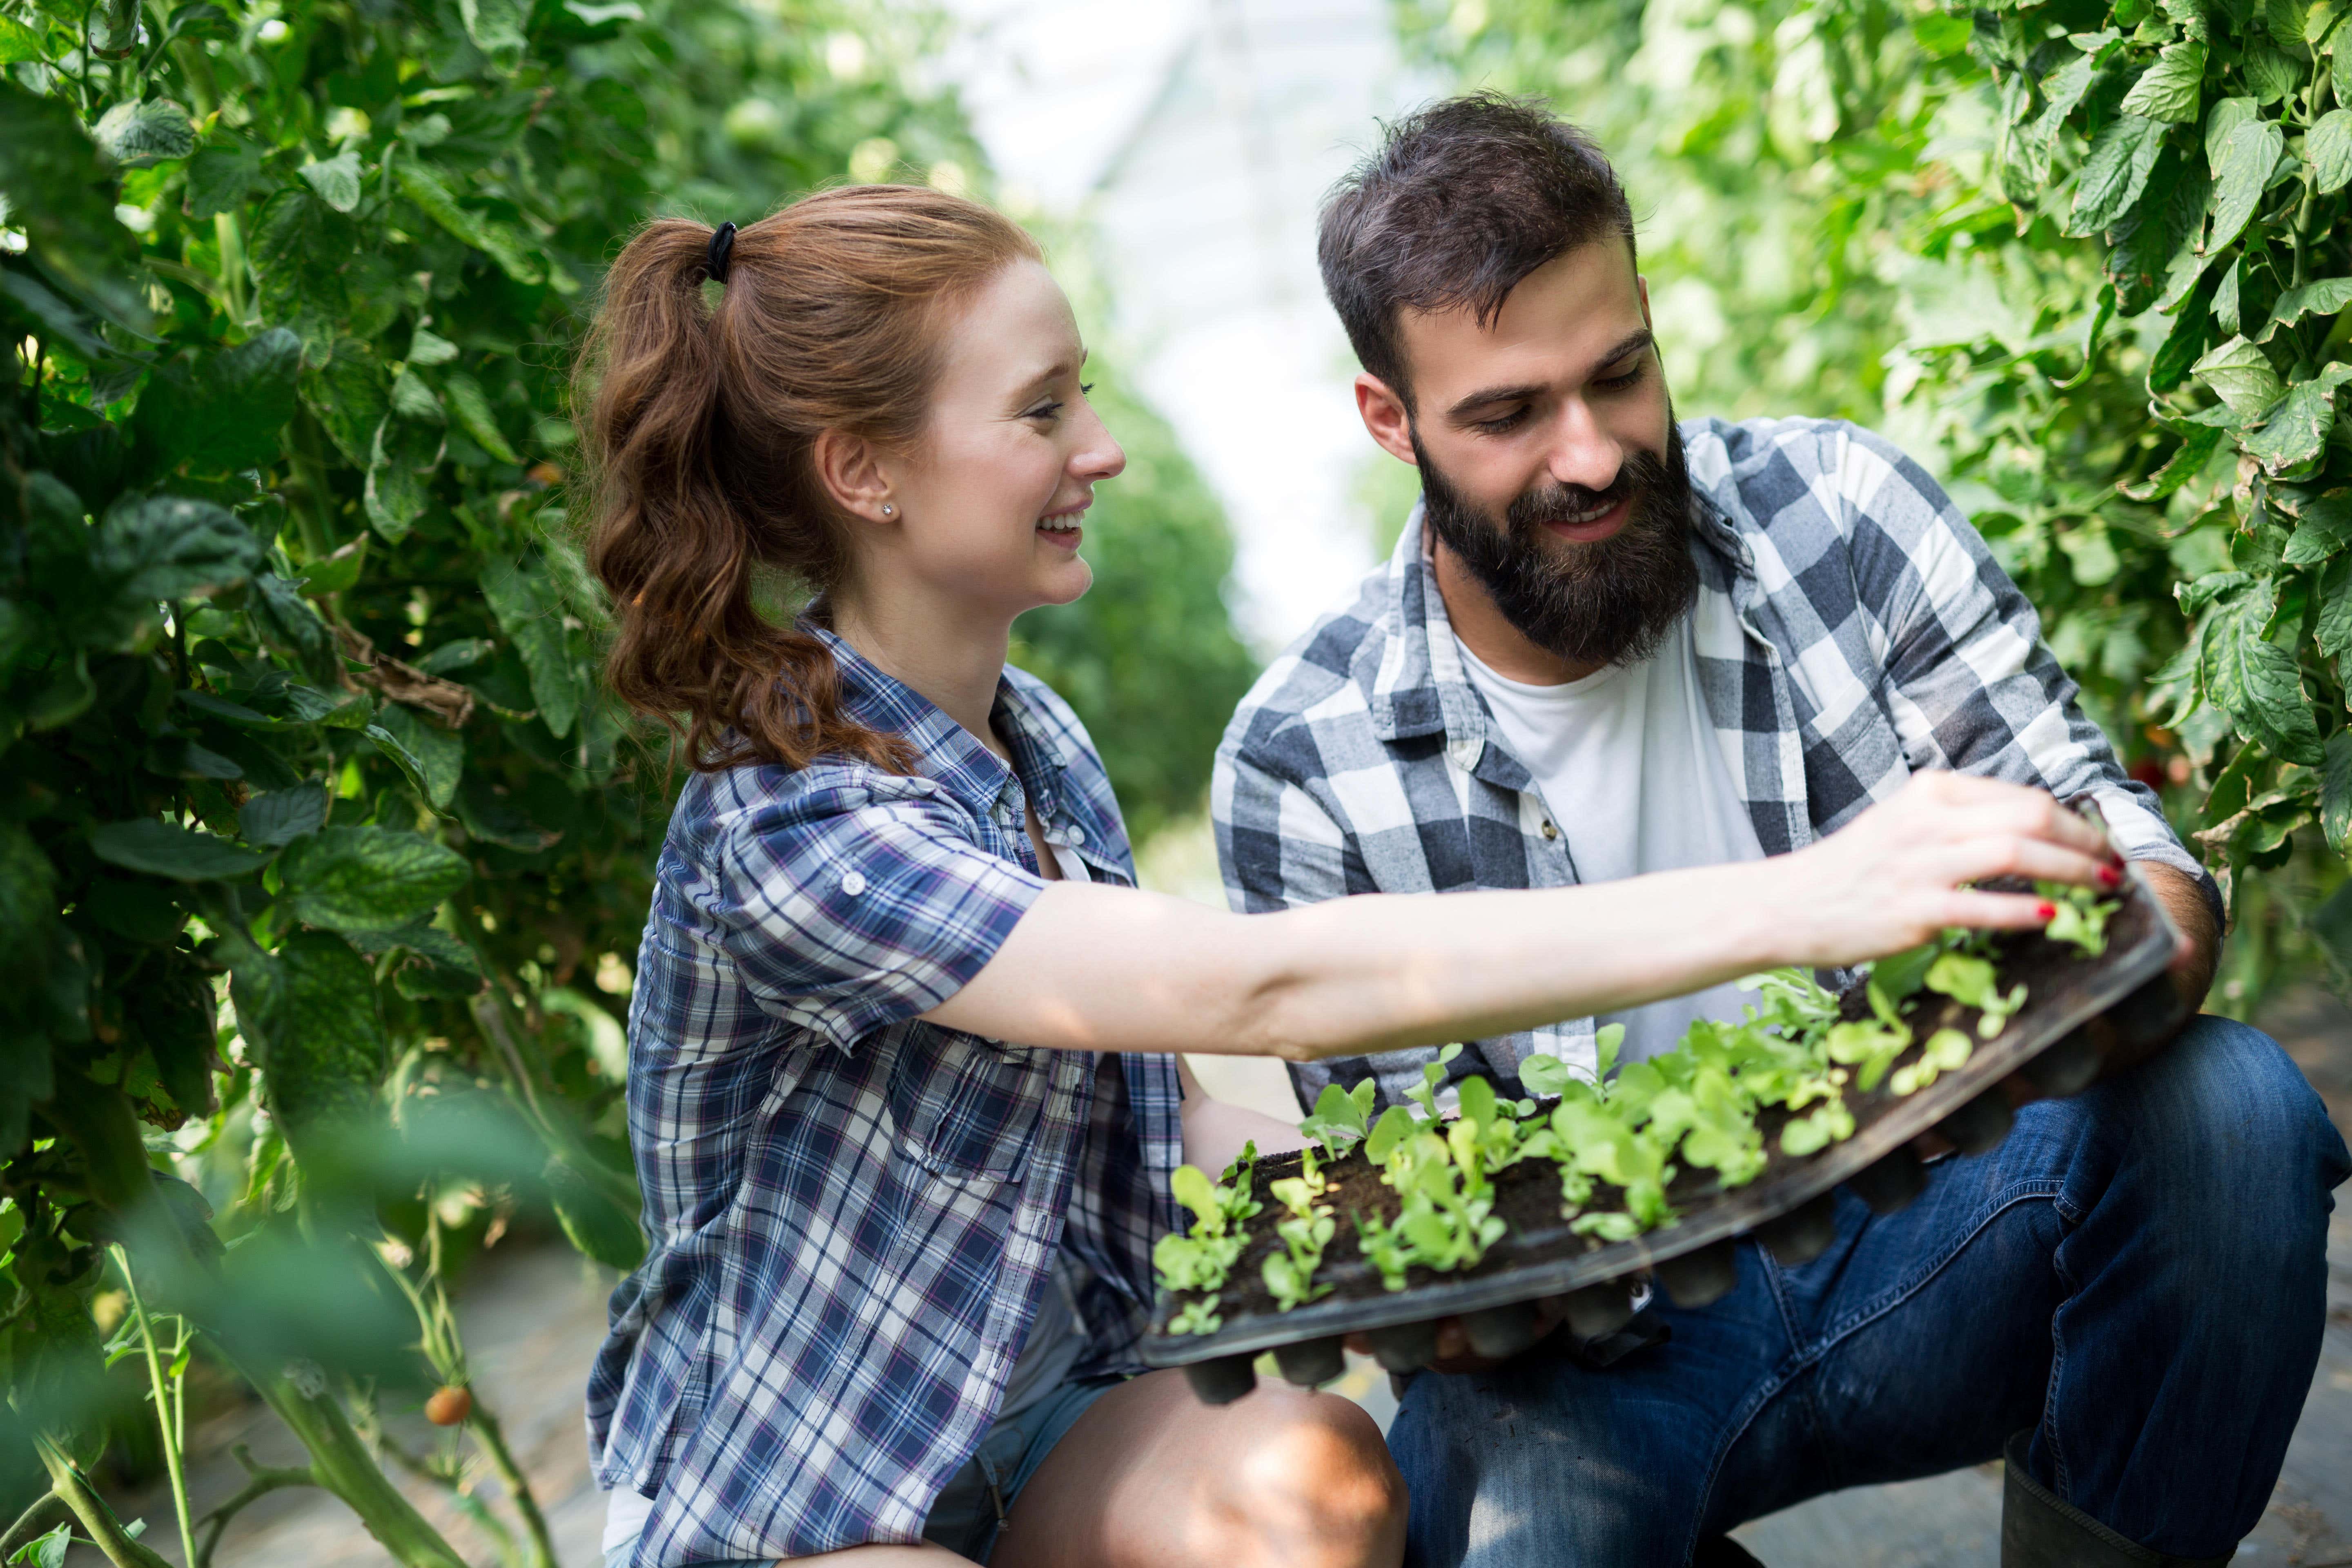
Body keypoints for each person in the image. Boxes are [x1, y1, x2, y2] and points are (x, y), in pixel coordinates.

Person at [572, 185, 2114, 1568]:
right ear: (866, 473)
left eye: (1082, 399)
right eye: (1041, 414)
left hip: (1055, 1421)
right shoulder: (787, 822)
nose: (1097, 450)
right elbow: (1256, 991)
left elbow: (1176, 1104)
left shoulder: (1031, 744)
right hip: (799, 1499)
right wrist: (1813, 899)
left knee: (1316, 1489)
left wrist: (1465, 1200)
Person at [1212, 93, 2352, 1568]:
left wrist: (2128, 930)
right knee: (1515, 1528)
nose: (1592, 454)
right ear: (1393, 421)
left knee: (2229, 1110)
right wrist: (1484, 1286)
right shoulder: (1306, 762)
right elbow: (1421, 1202)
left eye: (1619, 376)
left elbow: (2120, 850)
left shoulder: (1839, 512)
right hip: (1600, 1374)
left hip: (1932, 1226)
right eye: (1507, 415)